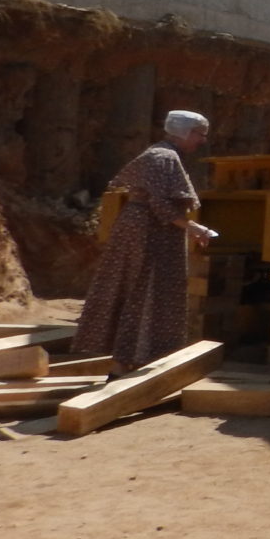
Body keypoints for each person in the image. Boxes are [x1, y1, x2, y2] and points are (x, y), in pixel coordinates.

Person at [74, 110, 211, 370]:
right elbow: (159, 203)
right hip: (149, 234)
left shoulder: (163, 155)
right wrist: (192, 226)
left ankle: (135, 359)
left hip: (148, 230)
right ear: (185, 132)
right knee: (144, 291)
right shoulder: (163, 157)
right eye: (199, 134)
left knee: (145, 291)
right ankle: (126, 361)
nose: (202, 141)